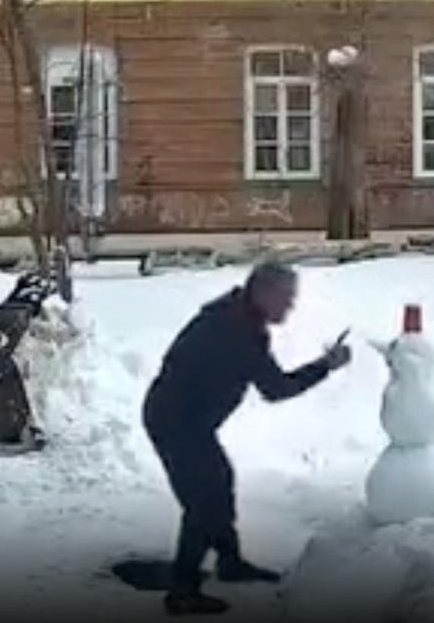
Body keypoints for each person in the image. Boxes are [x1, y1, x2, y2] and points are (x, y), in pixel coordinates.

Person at [141, 261, 353, 616]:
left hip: (187, 420)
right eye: (285, 298)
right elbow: (276, 388)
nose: (290, 306)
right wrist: (325, 366)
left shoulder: (237, 316)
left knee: (219, 483)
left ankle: (230, 562)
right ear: (263, 293)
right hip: (177, 422)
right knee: (203, 504)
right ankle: (183, 591)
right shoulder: (235, 330)